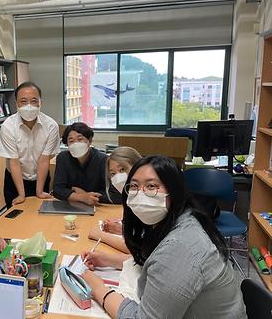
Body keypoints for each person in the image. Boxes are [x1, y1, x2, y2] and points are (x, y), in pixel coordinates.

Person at [81, 155, 246, 319]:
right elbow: (154, 262)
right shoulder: (178, 220)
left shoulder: (181, 246)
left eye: (151, 186)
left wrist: (97, 288)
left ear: (173, 191)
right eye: (134, 186)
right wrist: (108, 260)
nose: (140, 194)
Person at [0, 81, 59, 208]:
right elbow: (14, 162)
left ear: (40, 102)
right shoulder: (8, 126)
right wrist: (21, 194)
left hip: (41, 179)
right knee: (16, 219)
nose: (29, 106)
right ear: (16, 104)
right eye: (23, 101)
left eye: (33, 101)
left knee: (40, 215)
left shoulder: (51, 125)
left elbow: (44, 160)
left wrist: (39, 191)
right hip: (15, 180)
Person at [88, 147, 142, 252]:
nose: (118, 177)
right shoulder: (130, 198)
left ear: (138, 166)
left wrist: (100, 235)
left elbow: (140, 249)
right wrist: (122, 229)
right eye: (113, 173)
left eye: (122, 169)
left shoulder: (145, 199)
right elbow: (140, 233)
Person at [53, 122, 109, 205]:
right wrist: (82, 197)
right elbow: (58, 189)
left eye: (80, 139)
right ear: (67, 145)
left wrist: (88, 197)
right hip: (71, 206)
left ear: (89, 141)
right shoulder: (63, 158)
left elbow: (112, 193)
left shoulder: (103, 160)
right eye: (71, 141)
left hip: (97, 207)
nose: (76, 144)